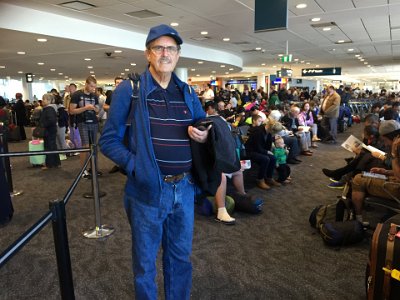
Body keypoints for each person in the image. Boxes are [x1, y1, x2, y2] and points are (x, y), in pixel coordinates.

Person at [99, 24, 209, 299]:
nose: (165, 53)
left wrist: (204, 135)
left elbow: (203, 126)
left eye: (170, 48)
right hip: (147, 191)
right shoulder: (131, 89)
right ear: (148, 54)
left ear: (178, 55)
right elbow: (108, 140)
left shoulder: (187, 91)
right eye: (158, 48)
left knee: (180, 258)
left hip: (183, 188)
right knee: (145, 264)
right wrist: (138, 167)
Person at [351, 120, 400, 223]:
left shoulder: (397, 146)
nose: (385, 143)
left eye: (385, 140)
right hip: (396, 181)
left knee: (357, 180)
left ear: (390, 136)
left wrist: (394, 156)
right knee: (364, 171)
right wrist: (385, 172)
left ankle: (358, 221)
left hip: (398, 188)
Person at [69, 76, 100, 179]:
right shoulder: (77, 95)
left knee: (93, 146)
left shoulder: (94, 96)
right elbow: (71, 110)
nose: (93, 89)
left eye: (94, 87)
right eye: (91, 86)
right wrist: (85, 108)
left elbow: (98, 109)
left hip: (94, 122)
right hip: (82, 122)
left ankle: (93, 168)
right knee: (85, 146)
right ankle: (83, 170)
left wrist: (95, 109)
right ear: (86, 84)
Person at [40, 93, 61, 169]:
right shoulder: (51, 108)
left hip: (49, 130)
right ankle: (55, 163)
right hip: (51, 130)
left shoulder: (49, 109)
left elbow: (51, 120)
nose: (42, 101)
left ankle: (50, 164)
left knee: (49, 147)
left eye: (44, 99)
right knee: (52, 146)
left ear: (48, 100)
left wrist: (43, 124)